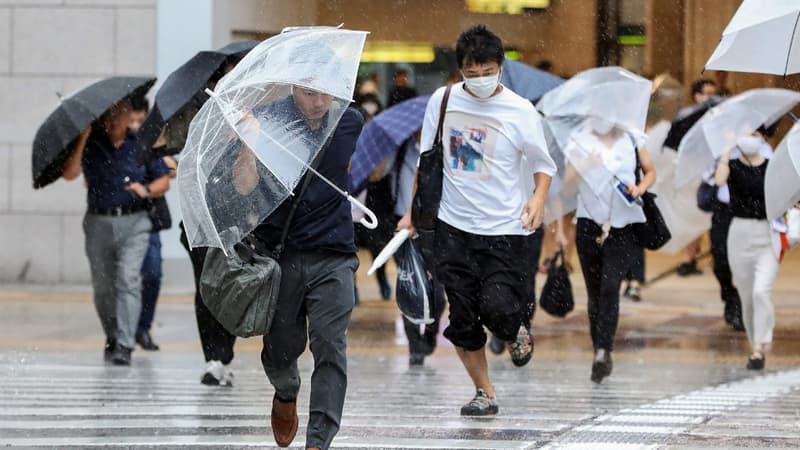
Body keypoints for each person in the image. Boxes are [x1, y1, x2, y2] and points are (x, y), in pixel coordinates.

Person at [398, 25, 556, 416]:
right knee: (464, 316)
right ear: (460, 71)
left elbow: (542, 163)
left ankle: (515, 329)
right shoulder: (444, 100)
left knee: (499, 304)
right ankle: (485, 392)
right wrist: (412, 213)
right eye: (473, 73)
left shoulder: (520, 110)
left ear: (500, 68)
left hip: (503, 229)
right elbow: (428, 159)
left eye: (488, 72)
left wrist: (538, 198)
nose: (481, 80)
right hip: (453, 227)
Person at [232, 85, 363, 449]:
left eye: (326, 94)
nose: (319, 103)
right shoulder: (265, 120)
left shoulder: (348, 121)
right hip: (281, 252)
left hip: (334, 252)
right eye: (309, 94)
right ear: (293, 88)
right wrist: (249, 142)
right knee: (281, 345)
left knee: (330, 344)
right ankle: (286, 391)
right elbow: (243, 188)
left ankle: (318, 440)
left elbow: (350, 168)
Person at [62, 100, 170, 366]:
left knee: (128, 279)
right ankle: (112, 336)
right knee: (103, 288)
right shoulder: (91, 143)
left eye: (118, 116)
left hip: (135, 222)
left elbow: (164, 180)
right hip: (98, 223)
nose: (112, 121)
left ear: (128, 116)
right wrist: (83, 136)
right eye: (108, 115)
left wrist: (146, 191)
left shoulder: (142, 142)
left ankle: (125, 343)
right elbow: (70, 173)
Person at [561, 118, 656, 383]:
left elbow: (650, 171)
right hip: (589, 224)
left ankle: (604, 349)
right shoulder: (579, 139)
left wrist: (640, 188)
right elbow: (567, 187)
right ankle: (598, 350)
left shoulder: (633, 137)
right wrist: (584, 165)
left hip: (623, 224)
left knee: (610, 286)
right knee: (594, 292)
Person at [715, 129, 779, 370]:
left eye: (754, 133)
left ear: (762, 137)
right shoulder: (731, 164)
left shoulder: (772, 166)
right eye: (745, 134)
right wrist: (727, 148)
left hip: (766, 234)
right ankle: (756, 349)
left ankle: (764, 339)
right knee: (747, 296)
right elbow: (719, 180)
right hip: (739, 233)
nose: (750, 138)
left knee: (761, 291)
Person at [128, 97, 173, 351]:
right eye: (131, 120)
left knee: (152, 273)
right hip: (122, 220)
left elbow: (165, 178)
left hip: (148, 218)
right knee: (123, 279)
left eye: (139, 119)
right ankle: (122, 330)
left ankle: (143, 327)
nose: (135, 125)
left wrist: (145, 189)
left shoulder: (150, 143)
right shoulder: (117, 145)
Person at [675, 79, 719, 276]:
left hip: (715, 173)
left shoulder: (721, 118)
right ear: (697, 96)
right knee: (692, 217)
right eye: (707, 93)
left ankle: (716, 258)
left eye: (713, 93)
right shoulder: (687, 117)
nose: (711, 98)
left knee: (715, 218)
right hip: (692, 174)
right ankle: (688, 259)